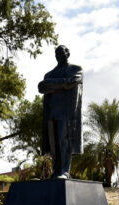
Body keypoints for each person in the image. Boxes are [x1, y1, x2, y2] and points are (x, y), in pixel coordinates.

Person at [38, 45, 83, 179]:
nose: (58, 55)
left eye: (61, 52)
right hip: (52, 112)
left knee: (64, 140)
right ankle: (57, 171)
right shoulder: (49, 74)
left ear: (67, 54)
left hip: (67, 113)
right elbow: (41, 86)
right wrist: (62, 85)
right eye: (56, 53)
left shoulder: (76, 69)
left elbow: (72, 82)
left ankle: (64, 171)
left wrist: (51, 85)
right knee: (54, 144)